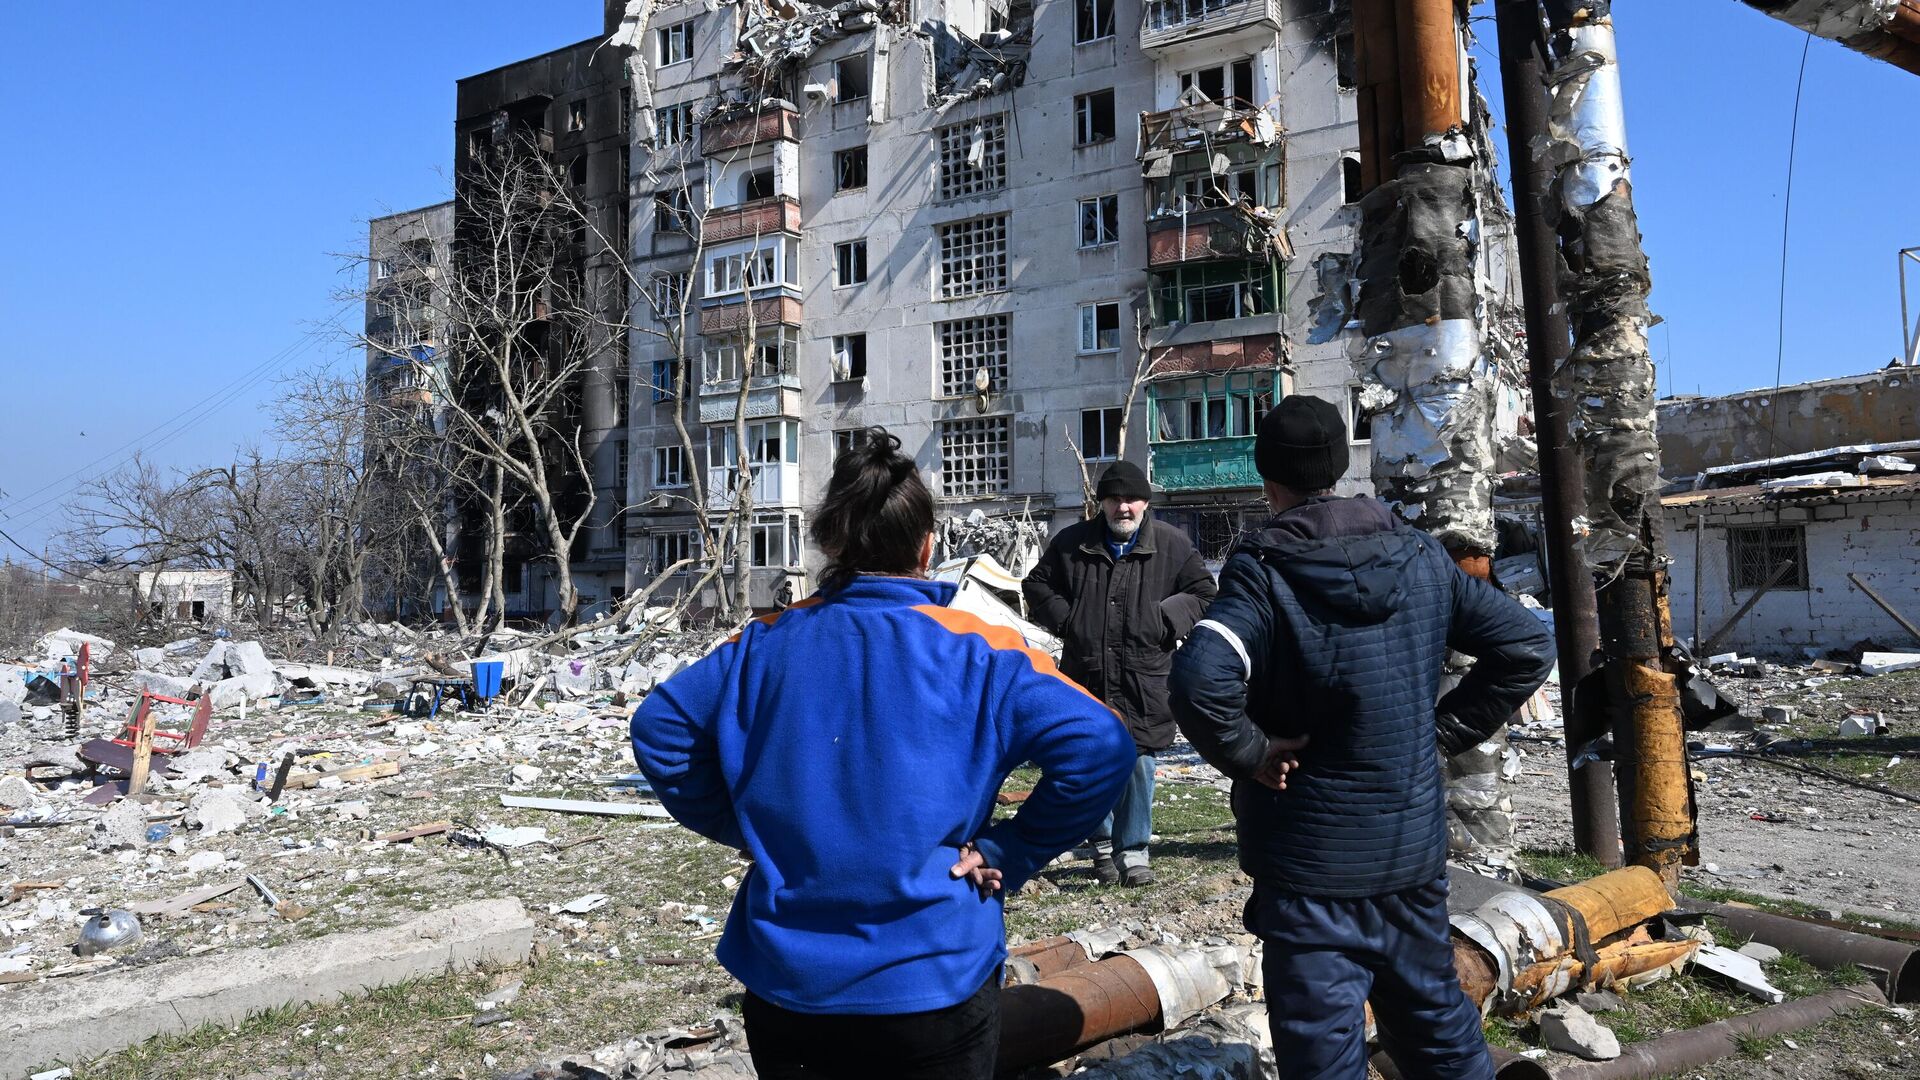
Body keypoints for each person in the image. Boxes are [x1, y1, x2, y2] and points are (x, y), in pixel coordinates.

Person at [631, 428, 1133, 1080]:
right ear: (928, 548)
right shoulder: (979, 647)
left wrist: (746, 825)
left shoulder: (766, 642)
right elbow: (1103, 743)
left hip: (790, 992)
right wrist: (1015, 851)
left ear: (831, 543)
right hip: (934, 983)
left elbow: (659, 727)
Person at [1168, 395, 1554, 1080]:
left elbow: (1200, 680)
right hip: (1407, 855)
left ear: (1269, 480)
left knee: (1321, 1048)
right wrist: (1442, 734)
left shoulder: (1265, 571)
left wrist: (1253, 754)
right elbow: (1526, 644)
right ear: (1344, 466)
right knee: (1437, 1025)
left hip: (1310, 866)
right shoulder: (1423, 558)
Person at [1023, 460, 1216, 887]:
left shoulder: (1172, 544)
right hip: (1087, 672)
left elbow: (1204, 590)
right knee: (1090, 758)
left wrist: (1165, 618)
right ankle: (1103, 847)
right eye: (1114, 499)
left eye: (1130, 499)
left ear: (1145, 503)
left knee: (1138, 759)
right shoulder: (1073, 542)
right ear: (1102, 504)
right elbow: (1035, 585)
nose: (1123, 508)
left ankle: (1134, 852)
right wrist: (1069, 619)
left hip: (1144, 675)